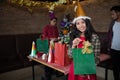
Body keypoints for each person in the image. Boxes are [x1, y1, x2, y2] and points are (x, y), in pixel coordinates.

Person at [68, 1, 100, 80]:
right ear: (75, 26)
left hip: (88, 69)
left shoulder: (94, 37)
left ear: (87, 23)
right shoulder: (74, 36)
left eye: (83, 22)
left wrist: (86, 69)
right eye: (78, 23)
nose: (81, 25)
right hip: (75, 68)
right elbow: (70, 55)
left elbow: (96, 58)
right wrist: (73, 46)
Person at [41, 15, 59, 80]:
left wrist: (57, 38)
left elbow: (57, 36)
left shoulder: (56, 28)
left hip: (55, 46)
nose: (55, 23)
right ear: (50, 21)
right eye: (54, 21)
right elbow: (43, 37)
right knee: (48, 61)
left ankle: (52, 72)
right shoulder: (46, 27)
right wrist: (51, 38)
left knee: (53, 60)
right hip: (47, 46)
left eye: (56, 21)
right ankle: (47, 76)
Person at [107, 5, 120, 80]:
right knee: (115, 68)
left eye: (113, 14)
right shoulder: (112, 23)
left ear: (118, 13)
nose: (112, 16)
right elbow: (109, 35)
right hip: (113, 49)